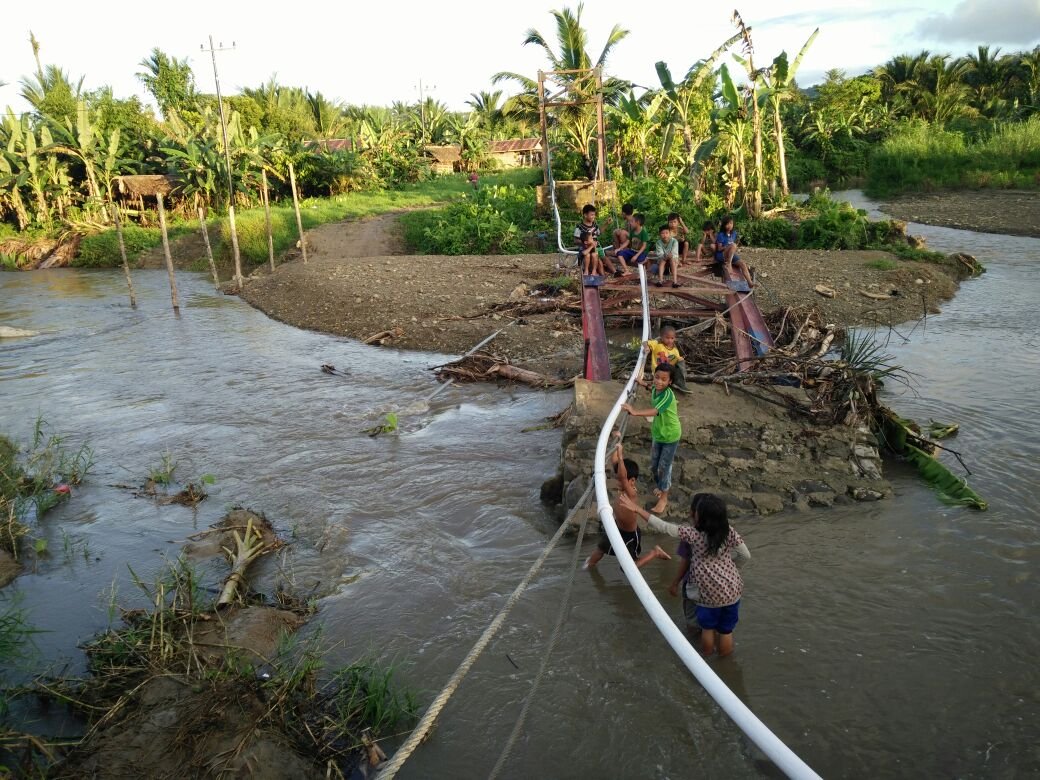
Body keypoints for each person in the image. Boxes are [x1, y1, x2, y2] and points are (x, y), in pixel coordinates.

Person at [621, 492, 749, 657]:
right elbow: (746, 556)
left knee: (707, 629)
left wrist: (638, 509)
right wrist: (732, 570)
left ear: (701, 517)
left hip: (708, 593)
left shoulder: (693, 535)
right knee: (726, 631)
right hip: (732, 591)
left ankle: (706, 662)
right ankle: (725, 664)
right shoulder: (729, 531)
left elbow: (663, 526)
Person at [584, 441, 671, 570]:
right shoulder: (622, 487)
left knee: (628, 569)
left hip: (630, 536)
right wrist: (616, 441)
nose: (618, 482)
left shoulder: (631, 493)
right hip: (616, 528)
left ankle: (655, 552)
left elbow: (623, 477)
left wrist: (620, 455)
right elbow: (615, 465)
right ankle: (588, 566)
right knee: (600, 549)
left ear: (633, 481)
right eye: (618, 479)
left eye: (621, 480)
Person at [622, 362, 681, 515]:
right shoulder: (656, 388)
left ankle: (664, 497)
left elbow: (655, 411)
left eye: (663, 379)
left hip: (670, 435)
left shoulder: (668, 395)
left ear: (670, 382)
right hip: (658, 433)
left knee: (663, 467)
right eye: (657, 377)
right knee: (654, 465)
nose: (659, 381)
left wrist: (634, 412)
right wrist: (641, 383)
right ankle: (661, 484)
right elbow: (651, 387)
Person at [669, 492, 710, 634]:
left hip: (693, 584)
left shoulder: (690, 536)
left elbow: (685, 561)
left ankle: (692, 648)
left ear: (693, 512)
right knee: (713, 626)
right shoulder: (720, 533)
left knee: (693, 622)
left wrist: (675, 583)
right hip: (714, 585)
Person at [645, 325, 689, 393]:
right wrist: (647, 347)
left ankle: (680, 383)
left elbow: (677, 359)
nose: (670, 340)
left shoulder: (675, 350)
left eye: (672, 338)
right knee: (661, 388)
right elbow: (646, 342)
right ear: (662, 337)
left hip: (669, 372)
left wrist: (681, 359)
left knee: (681, 361)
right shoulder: (657, 344)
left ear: (674, 338)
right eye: (667, 338)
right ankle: (664, 387)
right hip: (658, 371)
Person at [715, 215, 754, 288]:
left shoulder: (734, 233)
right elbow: (719, 249)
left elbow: (733, 245)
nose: (729, 225)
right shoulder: (721, 235)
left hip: (730, 254)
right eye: (727, 224)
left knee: (743, 264)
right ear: (724, 225)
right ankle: (729, 264)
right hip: (722, 255)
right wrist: (727, 246)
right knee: (733, 245)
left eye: (731, 223)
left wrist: (731, 247)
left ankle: (749, 282)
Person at [574, 203, 604, 278]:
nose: (593, 216)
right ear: (585, 215)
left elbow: (599, 232)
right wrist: (587, 242)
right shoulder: (579, 227)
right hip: (585, 247)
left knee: (597, 256)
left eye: (594, 215)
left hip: (594, 247)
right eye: (592, 215)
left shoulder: (594, 225)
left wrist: (606, 223)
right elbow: (575, 240)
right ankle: (587, 271)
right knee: (588, 255)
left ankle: (598, 274)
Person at [654, 224, 681, 288]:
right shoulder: (658, 242)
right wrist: (665, 257)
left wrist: (669, 256)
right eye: (662, 233)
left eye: (666, 233)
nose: (665, 235)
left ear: (670, 233)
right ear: (659, 234)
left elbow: (674, 253)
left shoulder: (674, 241)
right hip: (663, 259)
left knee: (671, 259)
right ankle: (660, 280)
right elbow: (660, 254)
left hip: (673, 259)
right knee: (663, 260)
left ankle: (675, 281)